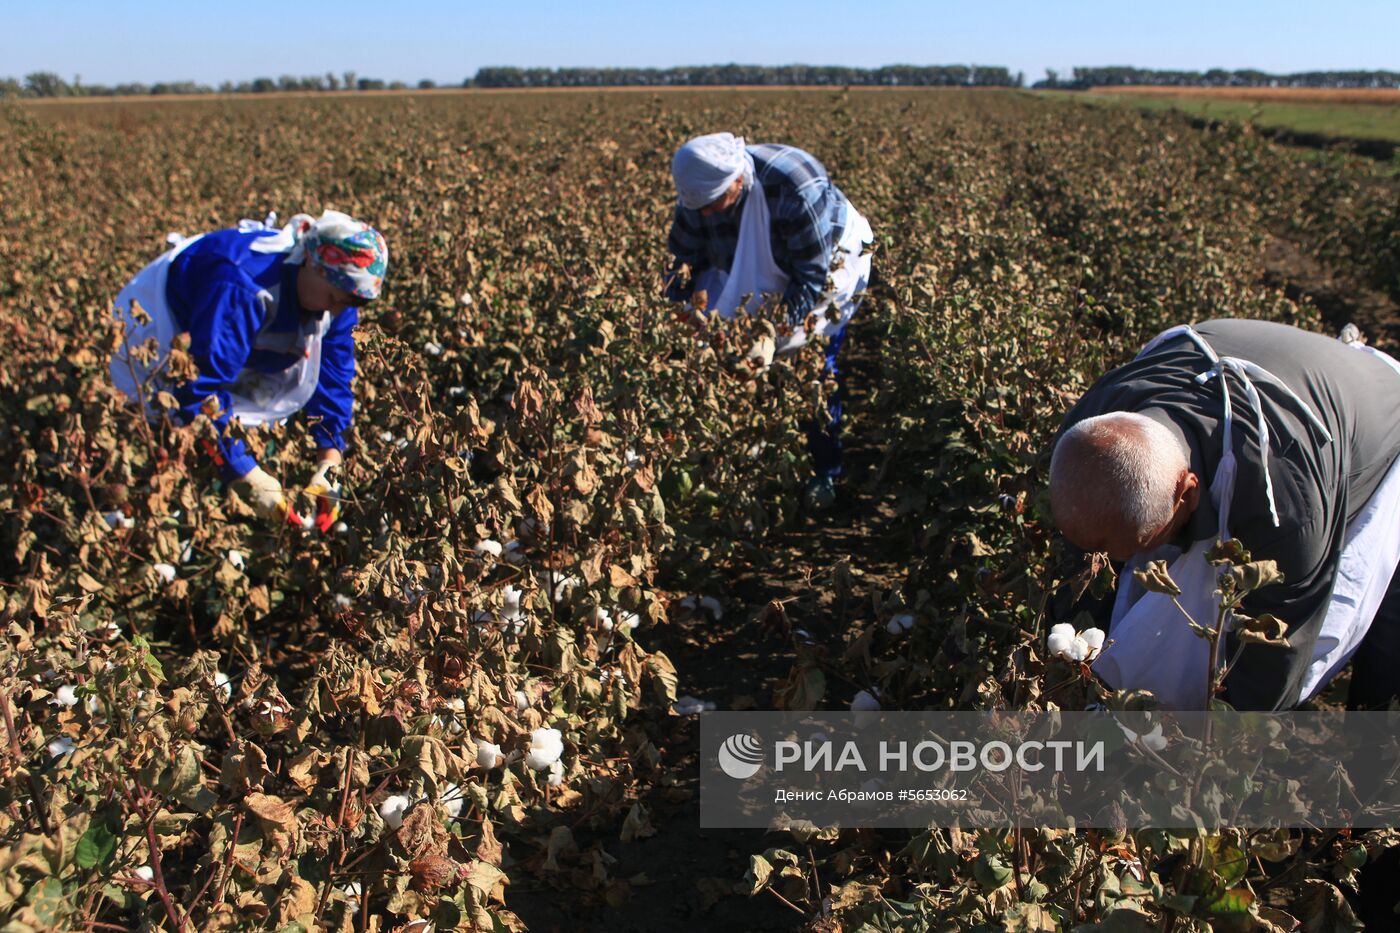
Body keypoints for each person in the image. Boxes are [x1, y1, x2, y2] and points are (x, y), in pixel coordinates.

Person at [1049, 319, 1400, 711]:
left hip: (1382, 420)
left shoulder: (1287, 508)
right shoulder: (1089, 426)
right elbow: (1082, 558)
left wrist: (1216, 738)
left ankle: (1375, 744)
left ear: (1188, 492)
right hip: (1280, 364)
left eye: (1129, 549)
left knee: (1386, 631)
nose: (1111, 563)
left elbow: (1275, 654)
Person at [110, 210, 388, 526]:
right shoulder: (243, 285)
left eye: (345, 303)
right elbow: (200, 385)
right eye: (333, 298)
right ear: (312, 264)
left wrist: (330, 457)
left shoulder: (337, 295)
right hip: (159, 328)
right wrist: (246, 475)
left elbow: (332, 375)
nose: (336, 310)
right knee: (166, 417)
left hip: (226, 334)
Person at [662, 133, 874, 510]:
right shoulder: (699, 196)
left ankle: (826, 469)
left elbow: (810, 278)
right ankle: (748, 451)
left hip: (827, 264)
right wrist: (680, 314)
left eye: (713, 205)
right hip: (748, 267)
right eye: (699, 208)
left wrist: (773, 335)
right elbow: (682, 263)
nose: (707, 213)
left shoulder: (795, 187)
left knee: (813, 369)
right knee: (720, 356)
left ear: (737, 181)